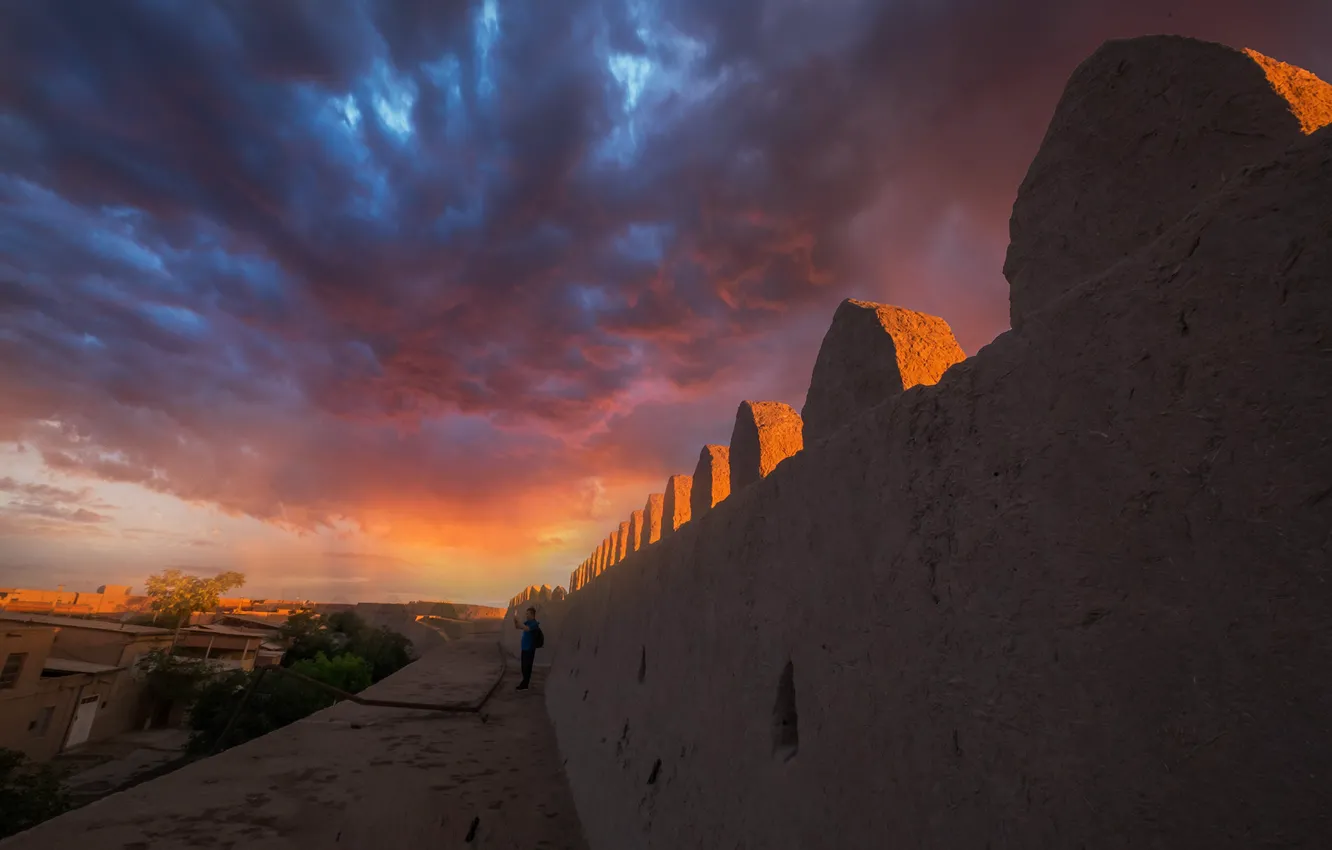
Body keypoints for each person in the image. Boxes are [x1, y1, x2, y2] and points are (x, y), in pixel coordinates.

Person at [512, 606, 541, 690]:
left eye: (527, 614)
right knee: (523, 667)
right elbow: (518, 626)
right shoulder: (527, 622)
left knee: (527, 667)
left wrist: (518, 622)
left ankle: (525, 684)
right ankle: (524, 683)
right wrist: (515, 619)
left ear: (532, 614)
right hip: (524, 648)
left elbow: (526, 629)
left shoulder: (534, 624)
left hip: (530, 649)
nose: (526, 615)